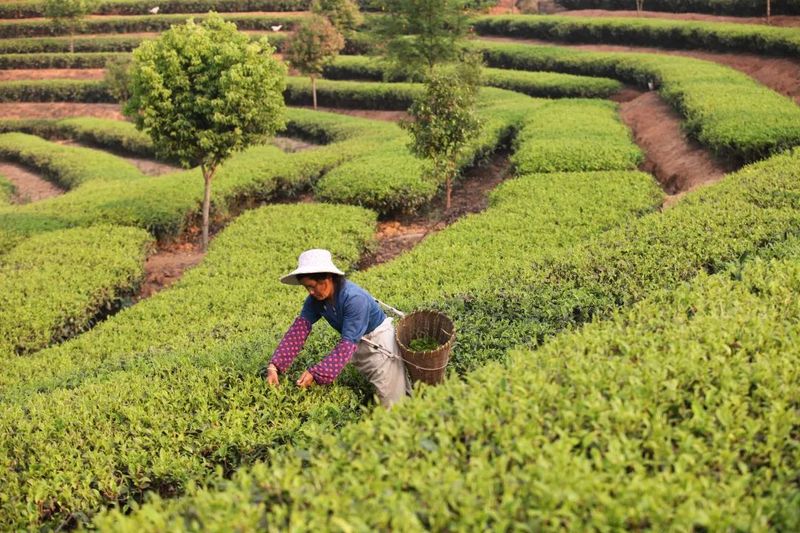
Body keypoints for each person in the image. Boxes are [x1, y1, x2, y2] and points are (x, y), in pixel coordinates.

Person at [267, 249, 412, 408]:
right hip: (360, 344)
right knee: (391, 391)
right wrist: (275, 366)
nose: (311, 292)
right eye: (306, 287)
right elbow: (299, 331)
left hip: (380, 344)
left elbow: (346, 346)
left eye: (312, 286)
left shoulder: (354, 299)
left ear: (327, 278)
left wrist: (315, 374)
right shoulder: (315, 300)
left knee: (390, 399)